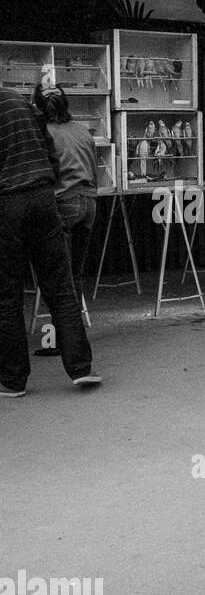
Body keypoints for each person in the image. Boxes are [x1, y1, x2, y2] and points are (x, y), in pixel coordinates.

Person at [0, 86, 100, 397]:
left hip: (8, 203)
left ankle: (13, 381)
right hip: (45, 197)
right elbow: (50, 152)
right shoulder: (19, 101)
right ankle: (81, 369)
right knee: (62, 287)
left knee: (8, 295)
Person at [32, 84, 98, 317]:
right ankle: (74, 331)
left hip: (63, 202)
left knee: (58, 276)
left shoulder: (42, 134)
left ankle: (59, 336)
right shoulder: (82, 131)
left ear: (38, 107)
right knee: (75, 274)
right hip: (89, 203)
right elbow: (94, 170)